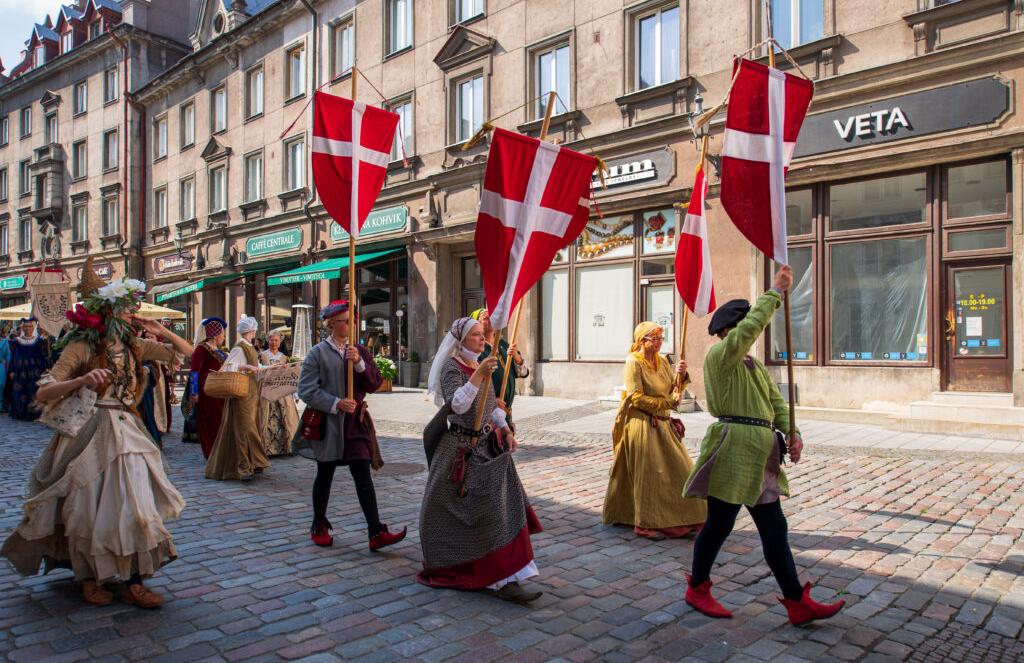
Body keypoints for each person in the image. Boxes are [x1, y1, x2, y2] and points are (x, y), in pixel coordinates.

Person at [0, 263, 193, 608]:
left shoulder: (135, 345)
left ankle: (135, 579)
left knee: (136, 505)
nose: (129, 317)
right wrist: (81, 381)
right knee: (88, 509)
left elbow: (192, 355)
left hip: (128, 433)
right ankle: (88, 576)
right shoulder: (81, 348)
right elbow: (44, 391)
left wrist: (160, 331)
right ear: (105, 314)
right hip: (88, 434)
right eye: (123, 311)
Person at [682, 266, 845, 626]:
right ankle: (698, 586)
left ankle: (795, 600)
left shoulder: (752, 366)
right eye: (742, 329)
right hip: (732, 452)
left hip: (761, 455)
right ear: (729, 330)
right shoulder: (720, 355)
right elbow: (748, 330)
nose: (749, 336)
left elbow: (775, 403)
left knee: (775, 529)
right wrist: (774, 295)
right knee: (719, 525)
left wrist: (793, 432)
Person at [417, 317, 542, 604]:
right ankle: (486, 572)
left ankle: (508, 576)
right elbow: (457, 405)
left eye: (481, 334)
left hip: (488, 446)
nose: (482, 339)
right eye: (475, 335)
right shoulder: (453, 367)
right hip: (460, 448)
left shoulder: (480, 365)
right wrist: (478, 376)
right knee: (473, 512)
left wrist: (506, 429)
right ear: (461, 340)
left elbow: (491, 405)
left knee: (501, 509)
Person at [296, 300, 406, 551]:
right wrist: (335, 403)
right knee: (325, 473)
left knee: (362, 470)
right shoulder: (318, 353)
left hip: (355, 424)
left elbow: (374, 383)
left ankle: (375, 530)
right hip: (329, 423)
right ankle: (319, 523)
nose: (350, 324)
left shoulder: (358, 350)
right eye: (344, 320)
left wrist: (359, 363)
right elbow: (306, 390)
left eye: (351, 319)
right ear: (332, 324)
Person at [603, 322, 707, 539]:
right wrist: (666, 404)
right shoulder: (633, 362)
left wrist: (682, 376)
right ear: (642, 341)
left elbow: (672, 389)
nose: (660, 342)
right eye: (655, 338)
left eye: (661, 338)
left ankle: (684, 516)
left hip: (662, 423)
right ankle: (646, 523)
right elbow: (636, 397)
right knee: (649, 476)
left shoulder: (662, 361)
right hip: (641, 424)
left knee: (682, 470)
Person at [205, 315, 270, 481]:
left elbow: (255, 366)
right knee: (244, 429)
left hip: (251, 393)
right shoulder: (240, 347)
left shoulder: (249, 346)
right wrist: (247, 366)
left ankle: (254, 462)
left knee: (251, 427)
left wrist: (266, 368)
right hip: (242, 394)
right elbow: (228, 367)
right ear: (252, 330)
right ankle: (242, 467)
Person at [469, 308, 529, 420]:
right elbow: (472, 383)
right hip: (488, 411)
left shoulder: (503, 344)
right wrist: (490, 401)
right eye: (486, 318)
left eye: (492, 317)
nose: (491, 320)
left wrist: (517, 357)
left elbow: (524, 373)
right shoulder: (476, 349)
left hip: (506, 411)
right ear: (477, 325)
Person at [189, 318, 228, 459]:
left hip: (218, 390)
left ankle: (219, 450)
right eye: (222, 334)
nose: (224, 337)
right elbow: (194, 371)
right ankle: (210, 451)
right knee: (208, 420)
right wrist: (194, 392)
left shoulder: (218, 350)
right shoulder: (202, 349)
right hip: (206, 390)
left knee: (218, 419)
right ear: (216, 334)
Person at [258, 331, 299, 457]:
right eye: (271, 340)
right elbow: (258, 372)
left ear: (279, 342)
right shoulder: (262, 355)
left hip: (281, 391)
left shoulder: (284, 357)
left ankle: (286, 447)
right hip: (267, 389)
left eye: (276, 340)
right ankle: (265, 448)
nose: (273, 342)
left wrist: (294, 393)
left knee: (285, 416)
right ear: (268, 341)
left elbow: (289, 376)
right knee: (265, 416)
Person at [7, 317, 51, 421]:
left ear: (33, 327)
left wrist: (45, 369)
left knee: (34, 392)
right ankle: (20, 413)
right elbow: (12, 357)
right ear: (22, 328)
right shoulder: (16, 342)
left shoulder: (39, 341)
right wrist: (11, 371)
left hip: (35, 371)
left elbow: (43, 356)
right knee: (19, 392)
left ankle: (35, 414)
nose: (28, 328)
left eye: (30, 326)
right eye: (26, 326)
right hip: (20, 371)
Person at [0, 331, 10, 413]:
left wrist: (9, 367)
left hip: (1, 366)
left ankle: (1, 405)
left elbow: (8, 355)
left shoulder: (5, 342)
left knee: (1, 384)